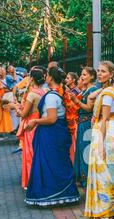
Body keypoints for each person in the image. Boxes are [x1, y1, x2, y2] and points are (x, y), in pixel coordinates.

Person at [24, 67, 79, 206]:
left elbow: (51, 118)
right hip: (56, 133)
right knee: (57, 162)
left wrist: (35, 121)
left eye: (47, 75)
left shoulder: (51, 96)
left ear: (51, 78)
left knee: (50, 163)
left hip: (51, 134)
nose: (45, 76)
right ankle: (65, 193)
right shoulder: (57, 94)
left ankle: (51, 194)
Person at [83, 61, 114, 219]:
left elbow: (105, 119)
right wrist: (105, 85)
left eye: (103, 72)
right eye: (98, 71)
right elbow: (90, 97)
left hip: (105, 132)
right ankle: (105, 210)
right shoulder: (107, 91)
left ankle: (107, 212)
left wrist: (101, 145)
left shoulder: (108, 95)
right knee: (103, 171)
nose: (99, 74)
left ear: (111, 74)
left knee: (104, 172)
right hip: (104, 130)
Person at [9, 69, 46, 189]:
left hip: (31, 125)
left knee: (30, 153)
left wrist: (15, 107)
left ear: (32, 79)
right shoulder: (44, 92)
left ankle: (31, 180)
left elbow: (23, 114)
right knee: (38, 152)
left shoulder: (32, 94)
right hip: (40, 123)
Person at [70, 67, 100, 187]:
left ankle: (87, 180)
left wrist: (75, 101)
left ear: (92, 76)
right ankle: (82, 178)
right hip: (81, 122)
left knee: (86, 151)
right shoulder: (85, 90)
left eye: (84, 75)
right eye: (81, 74)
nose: (82, 77)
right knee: (81, 150)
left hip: (87, 123)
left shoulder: (93, 89)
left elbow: (89, 108)